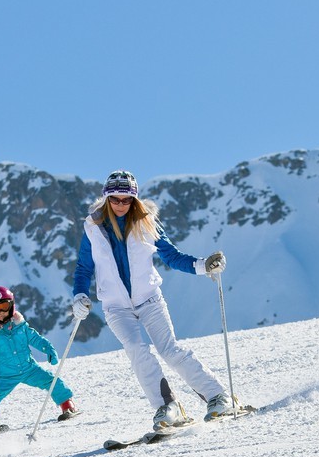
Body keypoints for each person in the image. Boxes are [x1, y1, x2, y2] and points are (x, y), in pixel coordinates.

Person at [69, 169, 234, 430]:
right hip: (116, 307)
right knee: (136, 351)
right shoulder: (93, 227)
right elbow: (83, 268)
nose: (121, 205)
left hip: (149, 300)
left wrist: (203, 266)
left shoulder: (146, 221)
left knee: (170, 349)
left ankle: (218, 396)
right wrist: (79, 295)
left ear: (134, 199)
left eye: (127, 200)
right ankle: (167, 406)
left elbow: (171, 256)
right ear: (106, 198)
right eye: (115, 199)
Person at [0, 286, 79, 431]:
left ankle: (67, 405)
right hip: (6, 375)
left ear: (12, 306)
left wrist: (48, 349)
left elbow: (36, 339)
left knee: (52, 380)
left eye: (4, 307)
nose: (1, 312)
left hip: (29, 369)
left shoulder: (21, 326)